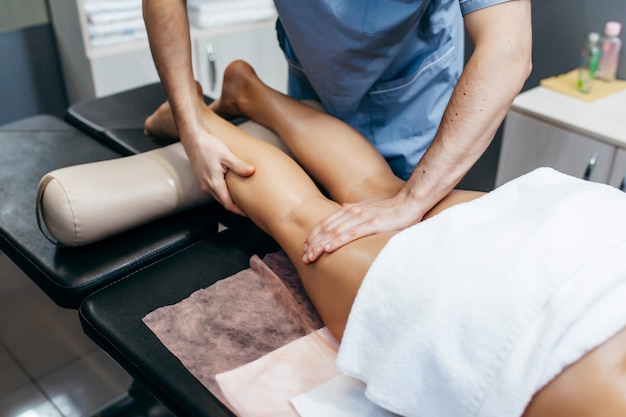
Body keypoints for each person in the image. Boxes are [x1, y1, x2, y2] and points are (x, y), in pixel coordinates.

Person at [144, 60, 626, 416]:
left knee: (381, 192)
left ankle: (248, 89)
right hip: (515, 310)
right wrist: (188, 122)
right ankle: (198, 116)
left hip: (588, 233)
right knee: (301, 216)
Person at [142, 0, 533, 264]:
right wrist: (192, 127)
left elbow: (508, 50)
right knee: (316, 212)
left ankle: (241, 94)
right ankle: (233, 98)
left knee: (396, 217)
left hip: (410, 86)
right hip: (314, 65)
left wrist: (410, 201)